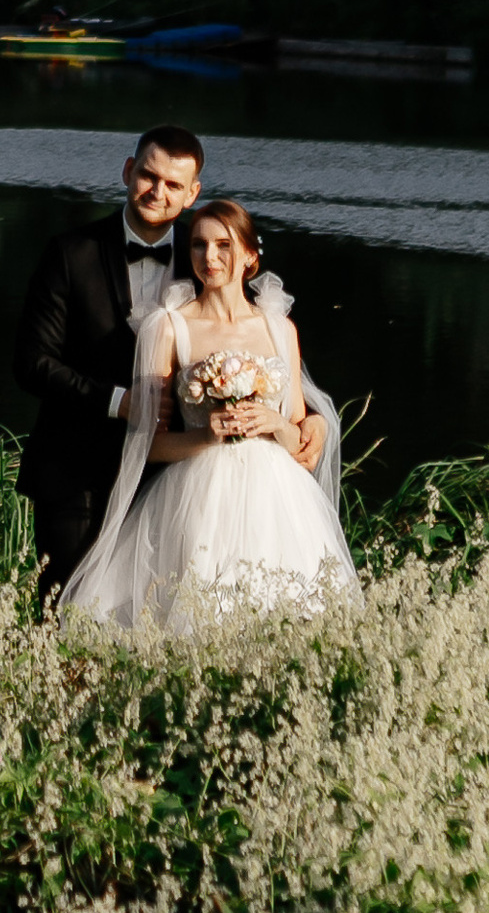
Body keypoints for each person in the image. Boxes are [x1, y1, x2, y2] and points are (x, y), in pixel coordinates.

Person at [59, 194, 358, 631]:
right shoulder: (169, 326)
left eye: (224, 245)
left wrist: (276, 423)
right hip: (197, 494)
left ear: (249, 257)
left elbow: (299, 442)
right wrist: (207, 435)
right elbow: (149, 445)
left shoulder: (279, 328)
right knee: (197, 619)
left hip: (276, 498)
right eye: (199, 245)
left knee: (287, 620)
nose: (209, 257)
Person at [12, 126, 210, 601]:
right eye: (148, 175)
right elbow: (31, 362)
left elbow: (248, 339)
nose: (157, 192)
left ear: (192, 194)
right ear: (128, 171)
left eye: (173, 185)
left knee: (155, 614)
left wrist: (306, 418)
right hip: (73, 468)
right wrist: (119, 402)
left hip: (170, 476)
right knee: (63, 609)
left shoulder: (208, 258)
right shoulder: (69, 252)